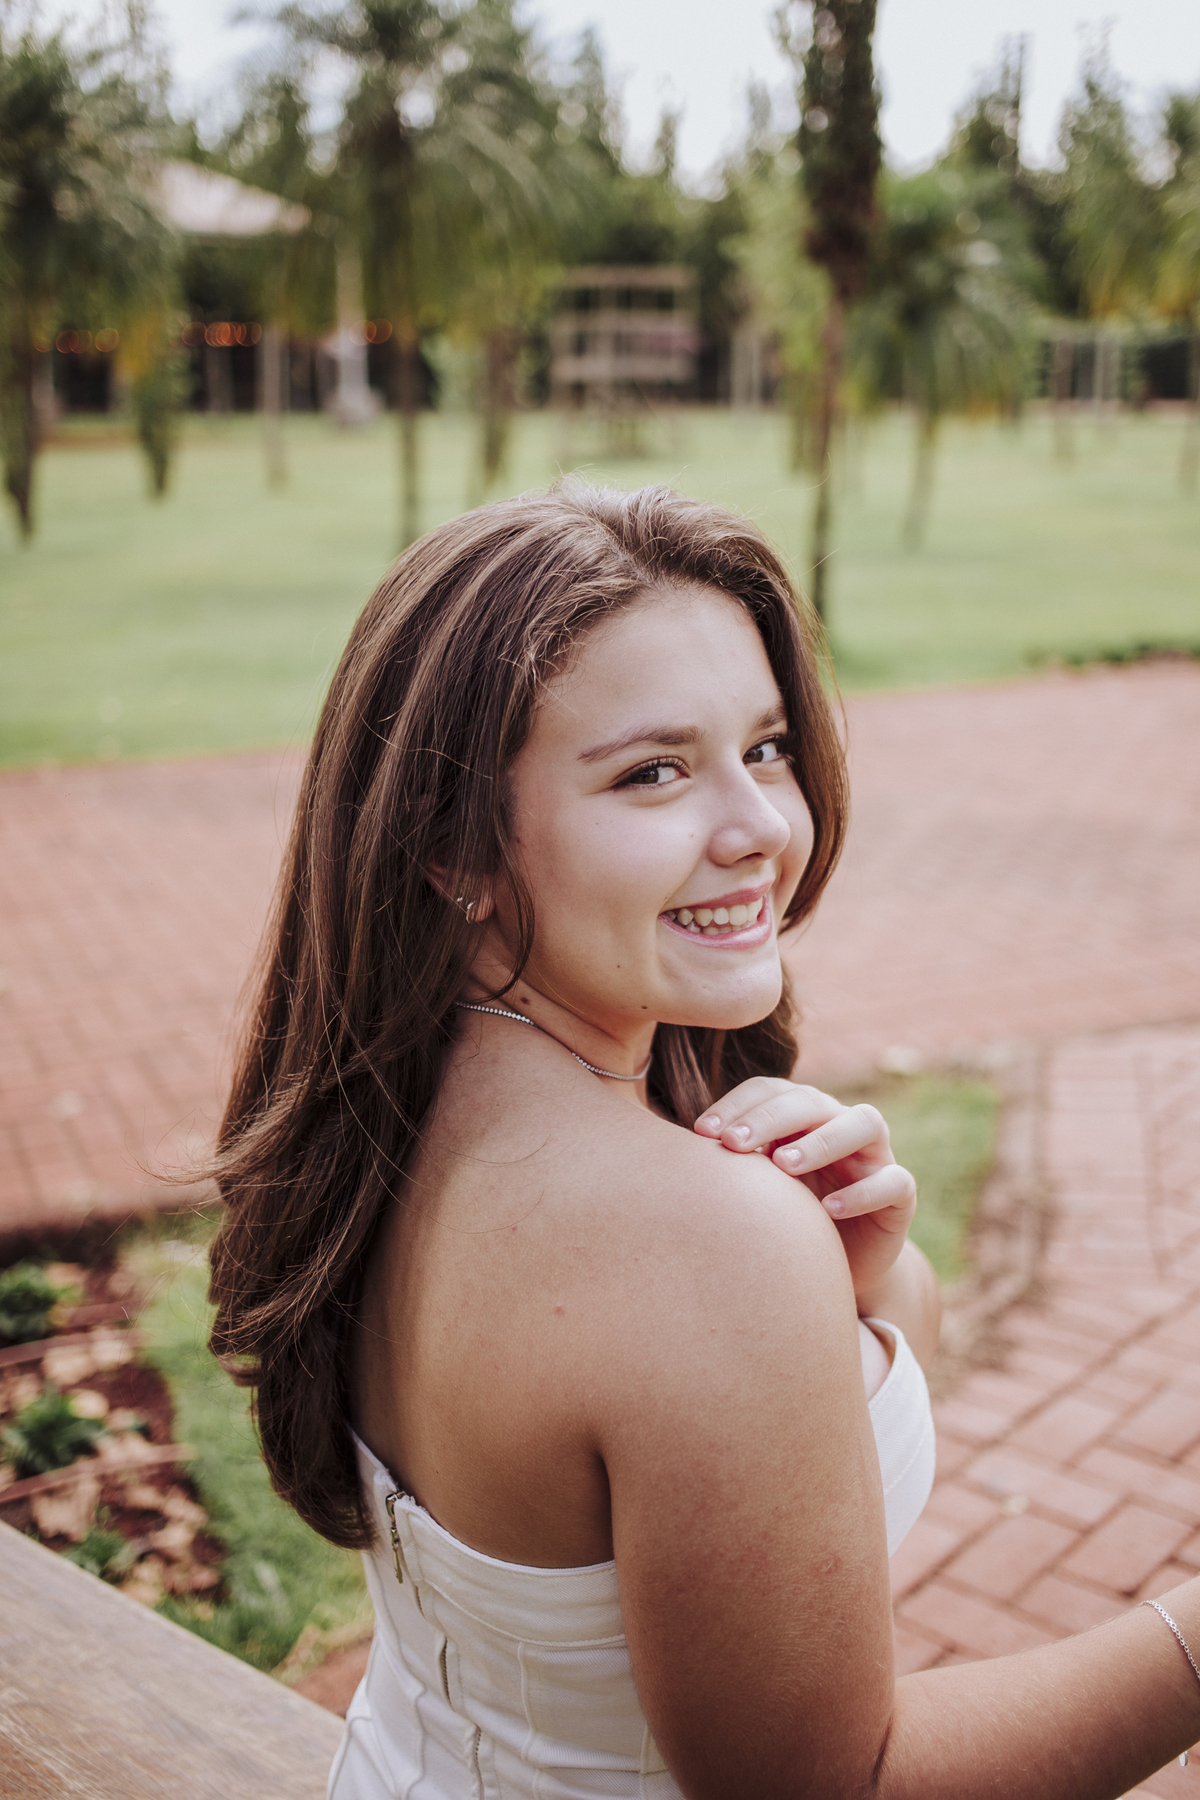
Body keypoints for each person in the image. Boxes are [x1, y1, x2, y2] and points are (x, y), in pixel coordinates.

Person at [209, 484, 1200, 1799]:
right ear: (454, 845)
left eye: (769, 747)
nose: (761, 829)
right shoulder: (696, 1237)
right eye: (654, 772)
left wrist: (861, 1282)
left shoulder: (381, 1127)